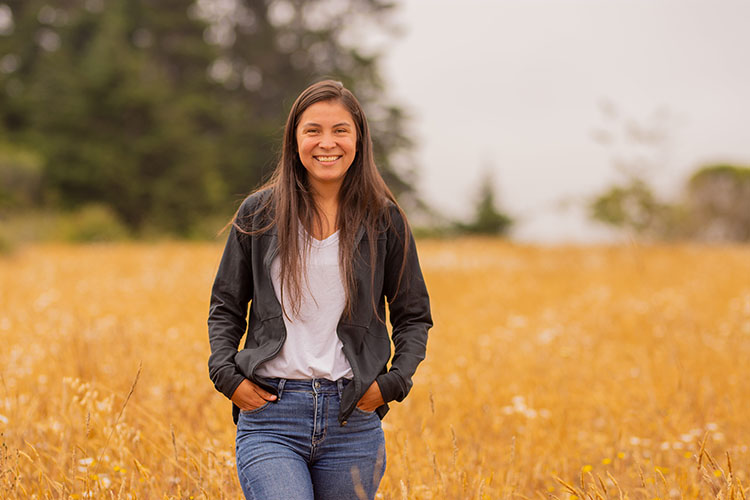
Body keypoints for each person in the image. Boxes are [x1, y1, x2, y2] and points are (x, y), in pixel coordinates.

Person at [207, 79, 432, 500]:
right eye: (313, 130)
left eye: (340, 130)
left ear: (359, 139)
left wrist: (393, 383)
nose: (326, 142)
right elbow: (225, 306)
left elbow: (413, 315)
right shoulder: (260, 213)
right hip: (271, 415)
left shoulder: (385, 219)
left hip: (353, 420)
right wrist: (225, 375)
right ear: (295, 140)